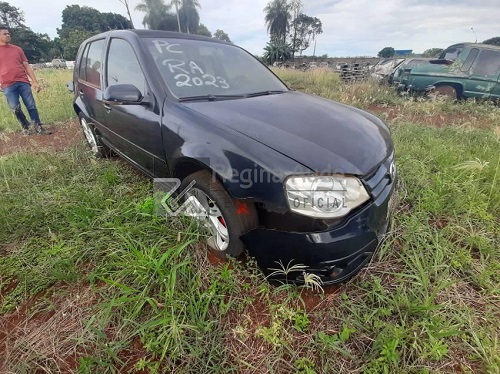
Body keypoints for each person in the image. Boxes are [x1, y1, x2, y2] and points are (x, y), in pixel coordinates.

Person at [0, 25, 51, 135]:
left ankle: (38, 127)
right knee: (15, 108)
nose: (8, 35)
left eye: (8, 33)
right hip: (7, 84)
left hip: (23, 81)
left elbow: (26, 66)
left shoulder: (17, 49)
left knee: (31, 105)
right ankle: (26, 127)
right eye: (5, 34)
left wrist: (35, 82)